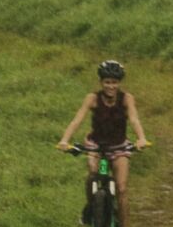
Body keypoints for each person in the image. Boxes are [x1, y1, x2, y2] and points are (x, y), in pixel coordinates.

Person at [57, 59, 150, 213]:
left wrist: (141, 138)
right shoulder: (92, 98)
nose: (111, 86)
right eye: (107, 82)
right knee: (93, 172)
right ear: (101, 82)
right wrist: (64, 140)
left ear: (119, 83)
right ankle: (91, 207)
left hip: (119, 146)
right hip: (95, 145)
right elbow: (77, 120)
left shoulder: (127, 98)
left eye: (114, 82)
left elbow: (134, 119)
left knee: (121, 189)